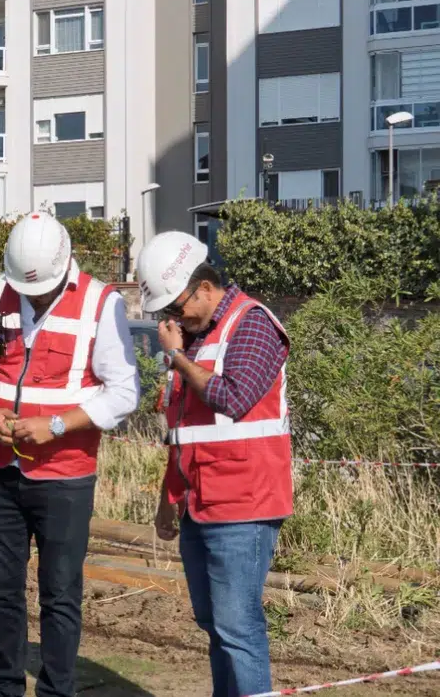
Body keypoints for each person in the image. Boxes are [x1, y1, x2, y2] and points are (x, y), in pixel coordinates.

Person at [0, 213, 139, 697]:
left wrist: (56, 425)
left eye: (42, 290)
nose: (32, 297)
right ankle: (6, 686)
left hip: (66, 476)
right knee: (1, 590)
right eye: (26, 290)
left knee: (59, 595)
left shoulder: (101, 304)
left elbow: (124, 394)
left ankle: (57, 690)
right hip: (0, 468)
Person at [136, 231, 292, 697]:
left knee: (238, 628)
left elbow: (234, 398)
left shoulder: (254, 324)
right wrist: (169, 498)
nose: (171, 317)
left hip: (245, 505)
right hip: (201, 503)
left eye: (176, 305)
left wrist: (177, 356)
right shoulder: (198, 338)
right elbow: (184, 432)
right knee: (214, 624)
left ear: (204, 288)